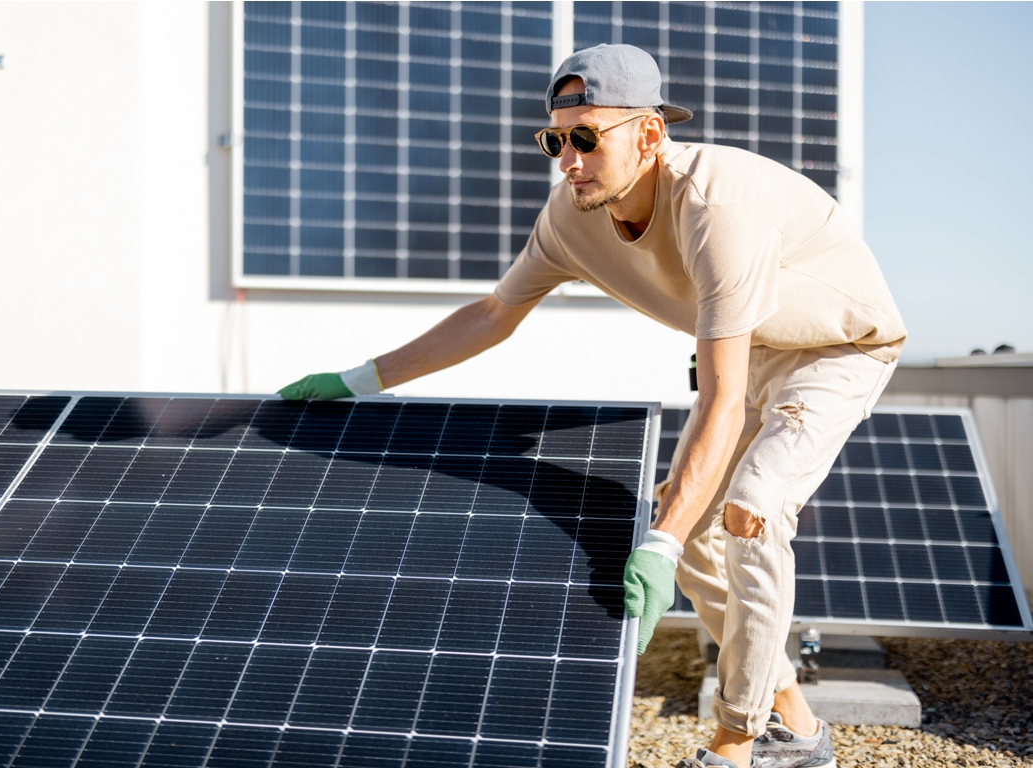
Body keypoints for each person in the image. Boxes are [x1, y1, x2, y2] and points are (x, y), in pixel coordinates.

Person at [280, 44, 905, 768]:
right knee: (690, 522)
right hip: (751, 344)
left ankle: (737, 744)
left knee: (751, 508)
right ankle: (793, 721)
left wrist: (658, 545)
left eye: (586, 138)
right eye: (554, 139)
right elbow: (492, 313)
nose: (567, 160)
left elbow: (723, 399)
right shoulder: (570, 218)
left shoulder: (716, 206)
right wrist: (360, 379)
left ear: (647, 134)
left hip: (837, 349)